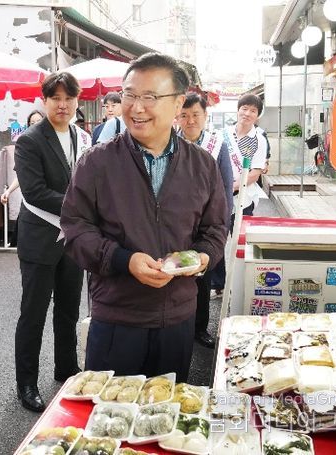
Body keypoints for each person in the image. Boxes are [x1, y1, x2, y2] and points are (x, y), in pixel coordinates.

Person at [61, 53, 228, 381]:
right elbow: (74, 230)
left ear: (178, 103)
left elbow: (216, 228)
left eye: (150, 97)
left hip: (177, 317)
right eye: (130, 95)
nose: (136, 108)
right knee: (109, 410)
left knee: (168, 408)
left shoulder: (202, 165)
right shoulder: (96, 163)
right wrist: (125, 260)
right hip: (116, 317)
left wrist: (200, 257)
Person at [14, 72, 84, 412]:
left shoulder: (80, 136)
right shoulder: (29, 140)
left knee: (69, 310)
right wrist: (83, 206)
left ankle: (66, 369)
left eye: (69, 98)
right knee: (33, 314)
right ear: (44, 101)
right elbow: (35, 192)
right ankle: (26, 384)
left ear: (76, 101)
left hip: (71, 241)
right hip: (40, 238)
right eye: (55, 98)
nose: (62, 104)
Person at [176, 92, 234, 349]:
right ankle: (178, 326)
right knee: (177, 272)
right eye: (184, 115)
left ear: (205, 116)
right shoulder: (168, 142)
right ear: (177, 117)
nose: (190, 121)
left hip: (206, 223)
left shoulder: (217, 145)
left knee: (203, 276)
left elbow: (226, 186)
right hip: (176, 223)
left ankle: (200, 328)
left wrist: (223, 224)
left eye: (195, 115)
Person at [211, 94, 269, 296]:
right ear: (237, 110)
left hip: (244, 198)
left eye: (253, 110)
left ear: (257, 115)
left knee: (241, 242)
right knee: (216, 239)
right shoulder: (221, 134)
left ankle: (240, 285)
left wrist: (230, 187)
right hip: (218, 198)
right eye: (244, 108)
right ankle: (218, 284)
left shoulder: (259, 140)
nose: (247, 113)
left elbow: (255, 173)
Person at [0, 110, 45, 205]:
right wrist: (8, 191)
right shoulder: (26, 147)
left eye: (39, 121)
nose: (36, 125)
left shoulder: (52, 144)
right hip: (32, 200)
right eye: (32, 123)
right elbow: (22, 175)